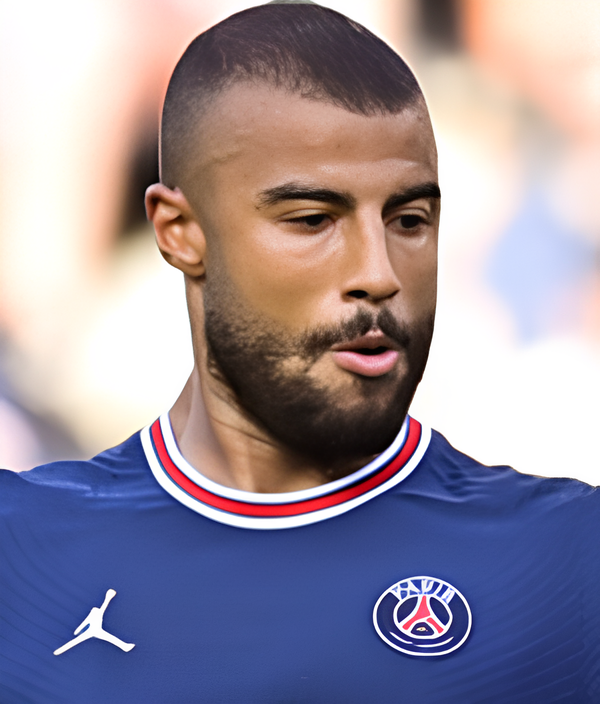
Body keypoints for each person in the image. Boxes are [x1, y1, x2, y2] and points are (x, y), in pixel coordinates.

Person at [1, 3, 598, 702]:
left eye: (410, 220)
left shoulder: (565, 559)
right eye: (313, 220)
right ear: (180, 232)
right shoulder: (24, 554)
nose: (378, 273)